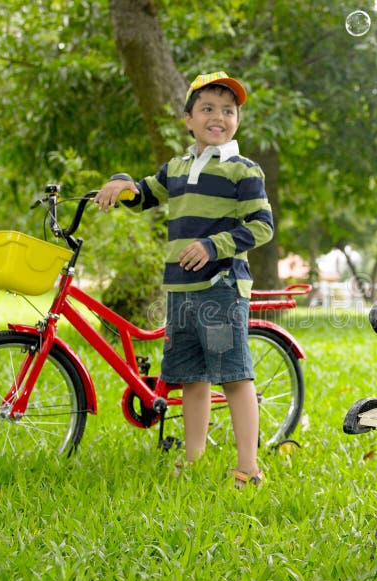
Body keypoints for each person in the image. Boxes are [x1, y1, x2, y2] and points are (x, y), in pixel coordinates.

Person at [94, 71, 273, 487]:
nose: (219, 117)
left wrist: (214, 245)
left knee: (233, 374)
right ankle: (193, 459)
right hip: (181, 289)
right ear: (188, 119)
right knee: (191, 376)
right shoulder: (177, 167)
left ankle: (249, 466)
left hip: (221, 289)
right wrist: (119, 182)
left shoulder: (242, 170)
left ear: (237, 121)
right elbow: (142, 194)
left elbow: (262, 226)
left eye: (228, 111)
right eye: (207, 108)